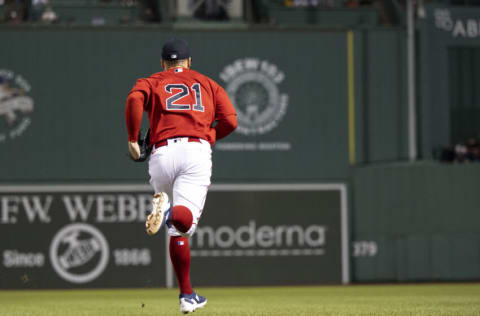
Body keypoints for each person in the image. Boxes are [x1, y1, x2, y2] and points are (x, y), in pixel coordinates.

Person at [125, 38, 237, 314]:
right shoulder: (207, 83)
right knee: (183, 223)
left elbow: (134, 99)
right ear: (188, 62)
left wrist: (132, 139)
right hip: (194, 152)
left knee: (177, 232)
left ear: (164, 63)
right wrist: (210, 134)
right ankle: (171, 212)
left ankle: (188, 295)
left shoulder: (153, 80)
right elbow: (231, 121)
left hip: (161, 155)